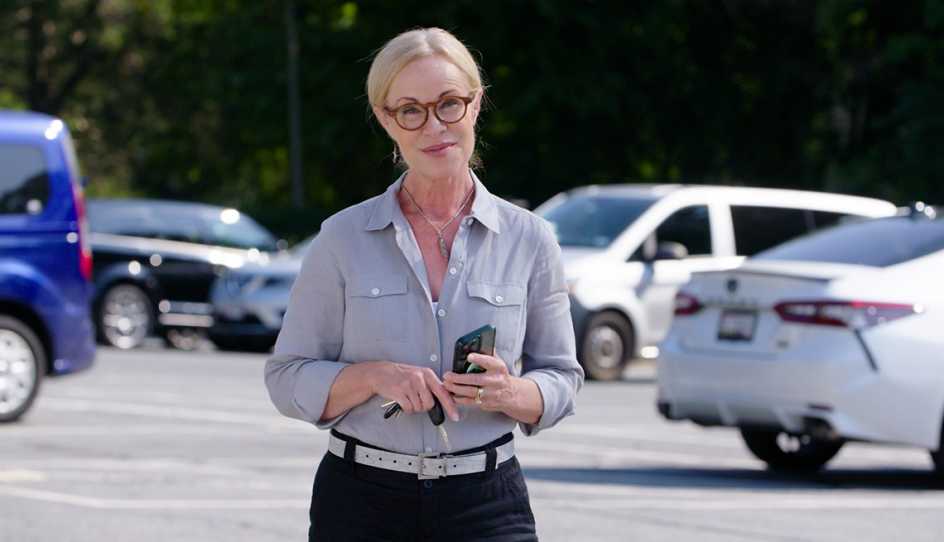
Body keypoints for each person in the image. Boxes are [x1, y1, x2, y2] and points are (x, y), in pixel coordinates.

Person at [265, 27, 583, 541]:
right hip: (361, 502)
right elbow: (287, 377)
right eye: (410, 110)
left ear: (476, 104)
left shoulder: (531, 239)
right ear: (388, 121)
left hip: (486, 503)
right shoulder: (341, 238)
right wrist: (374, 377)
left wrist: (508, 391)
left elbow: (562, 381)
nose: (434, 126)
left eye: (449, 104)